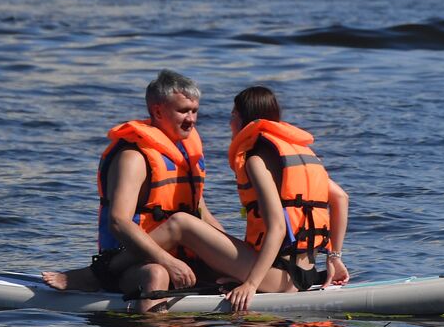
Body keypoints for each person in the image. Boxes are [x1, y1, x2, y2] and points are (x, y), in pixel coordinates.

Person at [87, 85, 352, 313]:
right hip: (303, 274)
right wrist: (334, 257)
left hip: (277, 277)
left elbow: (277, 228)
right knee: (198, 244)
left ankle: (101, 272)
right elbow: (340, 197)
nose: (229, 124)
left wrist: (249, 284)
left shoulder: (257, 160)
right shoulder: (297, 155)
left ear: (238, 117)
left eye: (231, 117)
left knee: (182, 223)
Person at [42, 70, 230, 311]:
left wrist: (228, 254)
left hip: (181, 256)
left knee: (232, 269)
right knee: (156, 274)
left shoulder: (185, 155)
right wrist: (168, 261)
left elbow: (203, 214)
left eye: (194, 111)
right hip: (128, 262)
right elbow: (118, 222)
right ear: (158, 111)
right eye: (183, 111)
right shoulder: (133, 157)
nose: (191, 119)